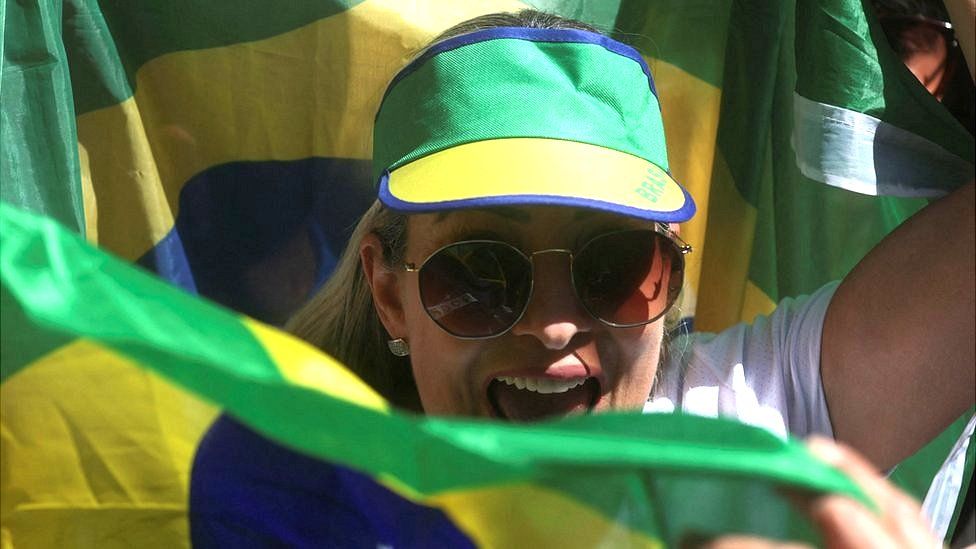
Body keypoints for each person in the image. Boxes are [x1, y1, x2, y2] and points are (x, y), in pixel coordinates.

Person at [191, 10, 974, 547]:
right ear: (391, 292)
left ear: (670, 271)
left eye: (614, 266)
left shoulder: (737, 423)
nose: (555, 326)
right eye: (481, 272)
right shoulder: (289, 481)